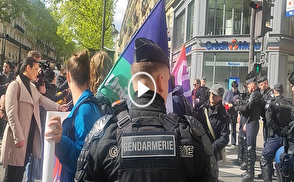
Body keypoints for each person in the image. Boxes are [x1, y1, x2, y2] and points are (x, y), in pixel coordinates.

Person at [74, 37, 218, 182]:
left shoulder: (103, 134)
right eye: (168, 81)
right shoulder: (190, 135)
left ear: (134, 81)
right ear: (161, 81)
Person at [0, 57, 65, 182]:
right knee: (12, 175)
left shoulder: (31, 86)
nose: (37, 72)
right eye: (35, 69)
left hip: (29, 137)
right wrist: (19, 137)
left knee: (20, 172)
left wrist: (59, 107)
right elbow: (11, 113)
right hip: (18, 138)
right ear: (27, 68)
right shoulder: (15, 86)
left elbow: (42, 100)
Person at [45, 50, 102, 182]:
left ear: (68, 77)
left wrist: (60, 141)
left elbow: (83, 162)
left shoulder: (85, 110)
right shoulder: (85, 107)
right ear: (89, 75)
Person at [260, 83, 292, 182]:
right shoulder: (289, 104)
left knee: (265, 158)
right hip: (287, 136)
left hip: (275, 136)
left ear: (274, 91)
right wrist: (285, 131)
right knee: (284, 161)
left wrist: (279, 131)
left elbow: (269, 121)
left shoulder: (272, 103)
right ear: (283, 91)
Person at [235, 71, 263, 182]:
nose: (247, 87)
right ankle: (248, 171)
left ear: (253, 84)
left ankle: (251, 174)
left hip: (253, 122)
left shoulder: (256, 94)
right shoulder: (251, 94)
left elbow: (247, 107)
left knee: (251, 148)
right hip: (249, 121)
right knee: (248, 147)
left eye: (248, 85)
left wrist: (237, 106)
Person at [196, 84, 230, 162]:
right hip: (200, 150)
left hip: (212, 154)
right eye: (211, 93)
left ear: (220, 97)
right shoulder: (202, 109)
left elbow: (224, 138)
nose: (212, 96)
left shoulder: (223, 115)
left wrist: (211, 148)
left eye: (215, 94)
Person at [257, 76, 274, 180]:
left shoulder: (270, 94)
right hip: (265, 122)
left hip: (269, 124)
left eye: (262, 84)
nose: (260, 86)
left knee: (268, 148)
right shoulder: (263, 94)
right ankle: (266, 170)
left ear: (266, 83)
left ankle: (269, 171)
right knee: (266, 145)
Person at [0, 61, 14, 146]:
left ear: (10, 68)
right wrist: (4, 86)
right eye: (4, 66)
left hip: (9, 101)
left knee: (8, 120)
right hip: (1, 101)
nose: (5, 68)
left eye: (7, 67)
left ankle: (5, 138)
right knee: (0, 119)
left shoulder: (12, 76)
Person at [223, 80, 240, 149]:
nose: (234, 89)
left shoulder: (238, 94)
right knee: (226, 127)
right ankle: (225, 141)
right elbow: (224, 100)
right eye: (233, 87)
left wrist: (232, 104)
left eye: (235, 88)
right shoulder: (228, 92)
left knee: (233, 128)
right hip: (227, 112)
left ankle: (233, 143)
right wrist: (226, 103)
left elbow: (238, 103)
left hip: (234, 112)